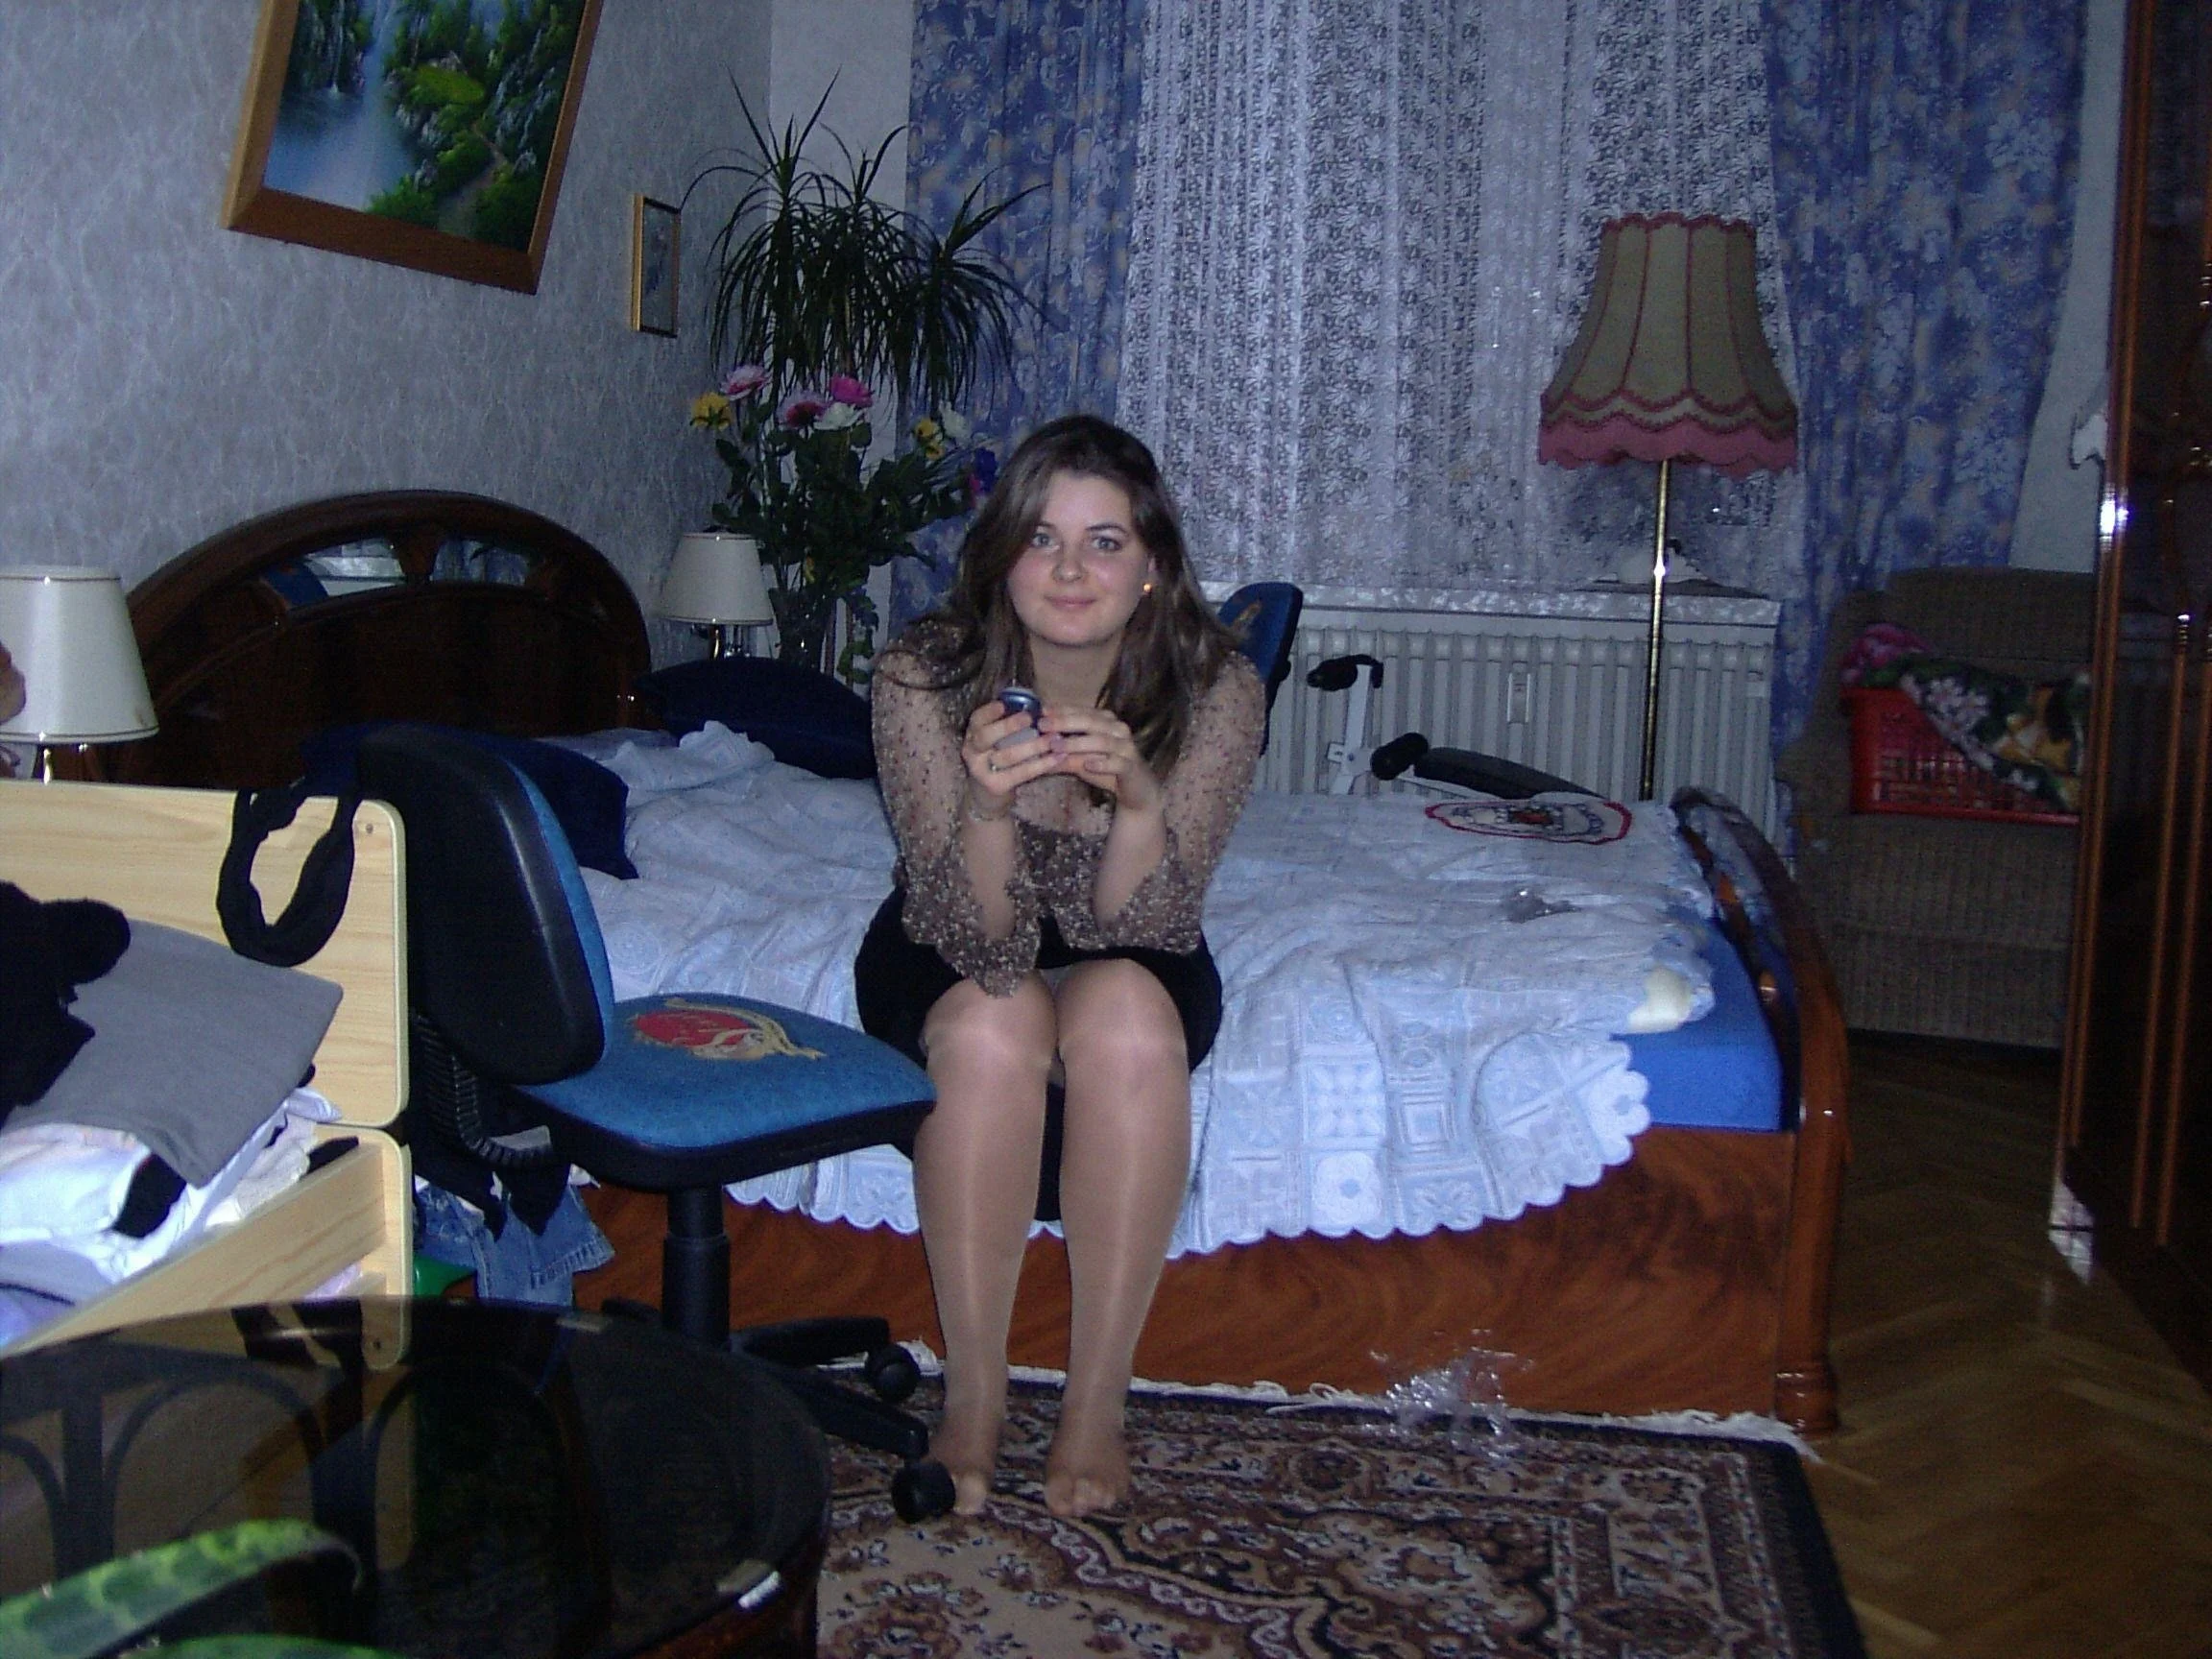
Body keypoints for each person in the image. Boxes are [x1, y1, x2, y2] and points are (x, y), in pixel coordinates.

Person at [855, 414, 1264, 1518]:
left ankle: (1094, 1405)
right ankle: (975, 1395)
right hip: (953, 928)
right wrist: (988, 806)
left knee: (1128, 1013)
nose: (1071, 571)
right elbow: (981, 938)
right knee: (995, 1023)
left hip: (1134, 927)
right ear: (1003, 558)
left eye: (1105, 542)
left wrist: (1138, 801)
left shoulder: (1217, 687)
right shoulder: (923, 677)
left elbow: (1149, 922)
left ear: (1152, 566)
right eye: (1043, 539)